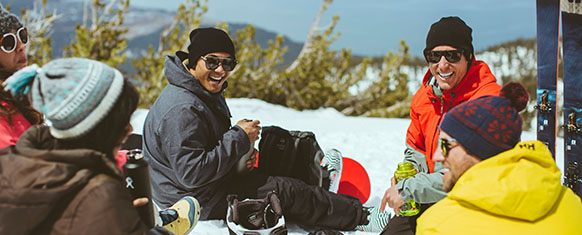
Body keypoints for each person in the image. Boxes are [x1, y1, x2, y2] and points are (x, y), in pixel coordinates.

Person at [142, 27, 390, 232]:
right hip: (195, 201)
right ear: (194, 60)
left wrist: (239, 155)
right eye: (212, 61)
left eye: (228, 63)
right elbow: (192, 173)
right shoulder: (182, 108)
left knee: (275, 145)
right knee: (283, 190)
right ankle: (361, 218)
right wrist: (238, 137)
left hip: (204, 186)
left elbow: (205, 151)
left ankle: (321, 184)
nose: (221, 70)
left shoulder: (200, 90)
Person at [0, 58, 198, 235]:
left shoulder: (12, 162)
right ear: (98, 129)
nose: (129, 129)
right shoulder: (101, 200)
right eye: (122, 122)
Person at [380, 16, 502, 234]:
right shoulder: (424, 97)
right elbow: (416, 147)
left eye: (452, 55)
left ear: (469, 57)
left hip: (475, 205)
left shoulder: (486, 102)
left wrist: (407, 189)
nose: (443, 64)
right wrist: (412, 171)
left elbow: (465, 176)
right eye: (435, 56)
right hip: (430, 194)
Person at [416, 82, 582, 234]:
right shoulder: (571, 204)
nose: (436, 156)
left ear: (479, 149)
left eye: (446, 145)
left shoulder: (438, 225)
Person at [0, 6, 43, 148]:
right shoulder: (4, 110)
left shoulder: (18, 93)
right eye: (8, 42)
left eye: (22, 35)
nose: (21, 46)